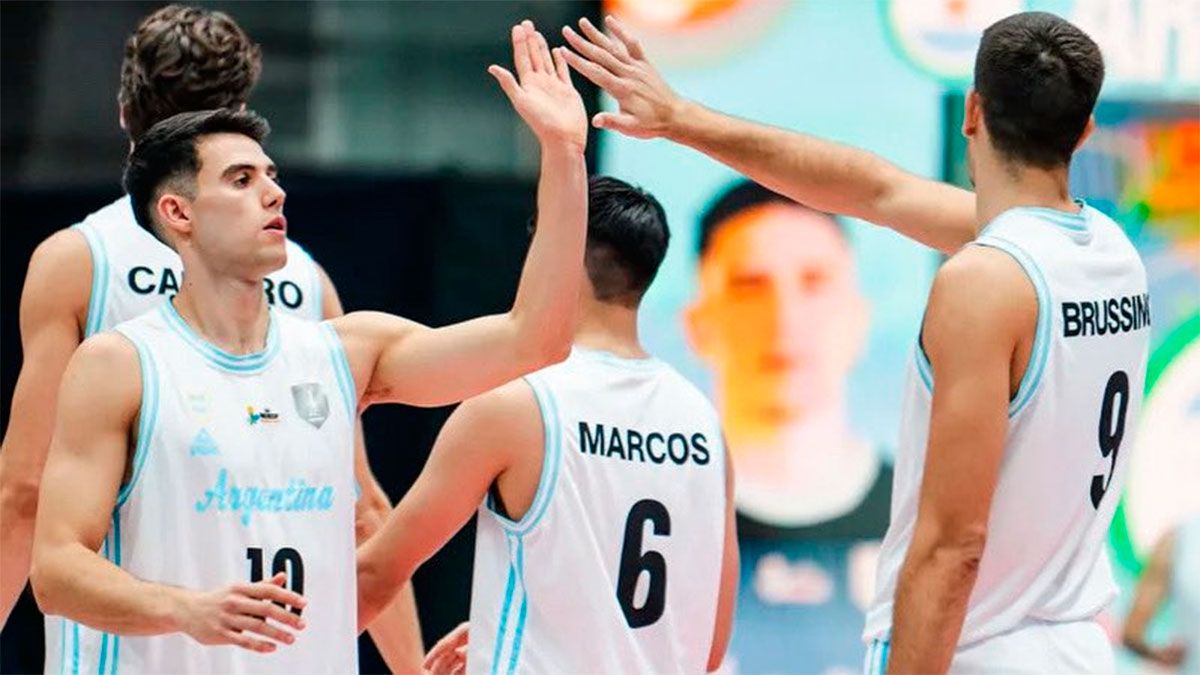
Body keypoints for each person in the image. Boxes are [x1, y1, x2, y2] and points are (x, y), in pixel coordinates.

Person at [562, 10, 1149, 672]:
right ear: (1085, 129)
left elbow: (953, 546)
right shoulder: (1108, 254)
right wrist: (681, 119)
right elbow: (875, 188)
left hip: (979, 650)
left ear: (973, 112)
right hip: (1073, 645)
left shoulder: (986, 280)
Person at [30, 21, 587, 673]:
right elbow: (57, 569)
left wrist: (563, 153)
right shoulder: (121, 363)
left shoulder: (345, 351)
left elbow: (535, 338)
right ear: (179, 214)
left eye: (270, 174)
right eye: (241, 180)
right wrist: (185, 609)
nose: (273, 191)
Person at [0, 5, 421, 671]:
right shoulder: (302, 276)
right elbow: (361, 508)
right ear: (241, 117)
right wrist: (413, 668)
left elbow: (24, 491)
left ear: (123, 115)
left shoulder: (81, 259)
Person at [356, 175, 738, 674]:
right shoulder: (704, 425)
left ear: (557, 251)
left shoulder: (515, 405)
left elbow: (375, 576)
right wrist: (525, 628)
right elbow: (708, 646)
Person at [688, 179, 892, 670]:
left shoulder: (920, 510)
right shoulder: (657, 507)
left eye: (814, 283)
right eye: (750, 286)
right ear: (699, 325)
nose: (785, 317)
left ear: (859, 318)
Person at [1122, 513, 1199, 674]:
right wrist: (1161, 656)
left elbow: (1132, 634)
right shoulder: (1179, 539)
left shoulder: (1179, 539)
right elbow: (1132, 633)